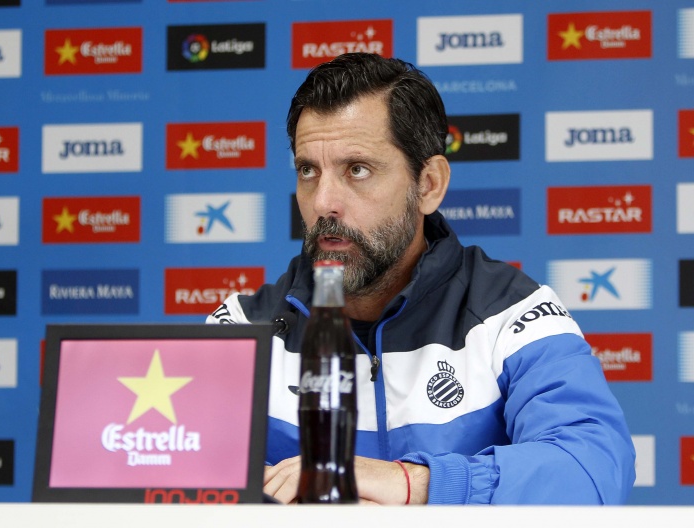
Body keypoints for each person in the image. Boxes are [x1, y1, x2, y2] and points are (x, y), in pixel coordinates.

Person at [207, 52, 636, 505]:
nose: (323, 202)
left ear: (428, 184)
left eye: (357, 170)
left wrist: (414, 484)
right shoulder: (241, 328)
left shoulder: (511, 315)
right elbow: (180, 476)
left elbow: (593, 466)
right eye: (308, 171)